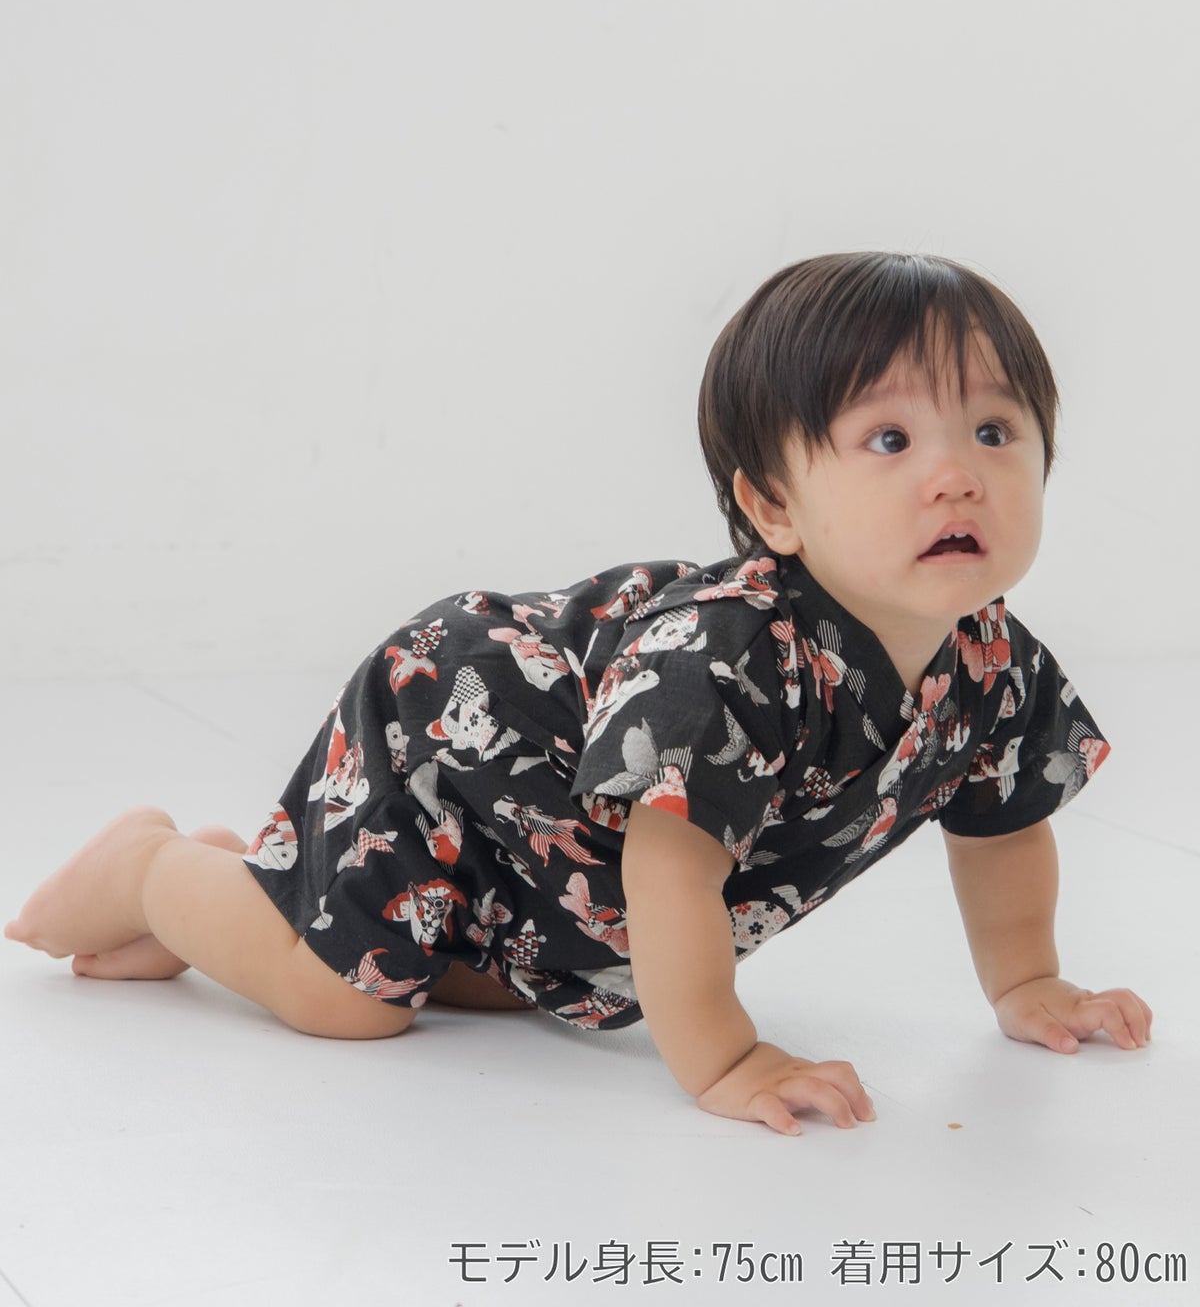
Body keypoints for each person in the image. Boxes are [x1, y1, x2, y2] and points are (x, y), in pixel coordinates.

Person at [5, 251, 1152, 1137]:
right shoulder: (732, 657)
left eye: (994, 430)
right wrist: (724, 1058)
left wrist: (1029, 980)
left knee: (503, 988)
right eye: (890, 437)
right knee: (348, 1002)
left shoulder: (993, 663)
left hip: (554, 854)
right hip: (458, 735)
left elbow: (1004, 826)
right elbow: (671, 873)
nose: (956, 474)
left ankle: (257, 895)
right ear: (773, 508)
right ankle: (150, 872)